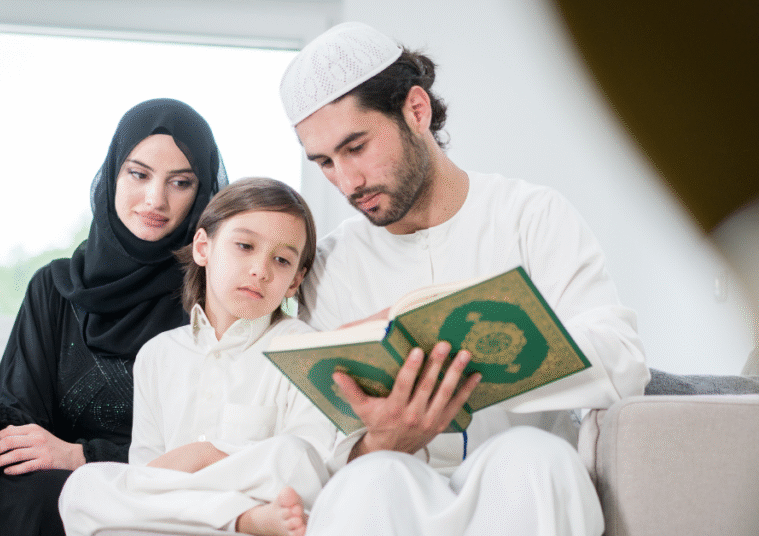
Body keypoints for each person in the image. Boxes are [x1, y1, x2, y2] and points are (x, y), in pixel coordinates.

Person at [277, 22, 651, 535]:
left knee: (532, 457)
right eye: (324, 162)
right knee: (371, 480)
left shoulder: (530, 216)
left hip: (518, 481)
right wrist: (384, 440)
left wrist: (480, 348)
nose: (347, 182)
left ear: (415, 110)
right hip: (394, 494)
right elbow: (314, 437)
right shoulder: (334, 261)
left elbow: (623, 361)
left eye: (356, 147)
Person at [0, 98, 228, 536]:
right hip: (50, 485)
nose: (154, 199)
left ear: (201, 195)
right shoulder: (54, 287)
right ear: (112, 176)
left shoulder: (210, 298)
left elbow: (208, 445)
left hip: (150, 491)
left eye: (180, 182)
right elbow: (20, 410)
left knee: (56, 495)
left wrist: (80, 455)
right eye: (138, 174)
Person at [57, 177, 336, 536]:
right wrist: (206, 477)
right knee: (83, 487)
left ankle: (241, 521)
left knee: (293, 455)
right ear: (203, 247)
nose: (260, 270)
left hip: (272, 518)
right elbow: (148, 480)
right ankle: (238, 518)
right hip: (181, 523)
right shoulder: (157, 356)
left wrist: (202, 456)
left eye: (281, 260)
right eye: (245, 245)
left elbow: (305, 475)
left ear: (295, 282)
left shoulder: (304, 349)